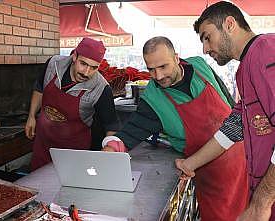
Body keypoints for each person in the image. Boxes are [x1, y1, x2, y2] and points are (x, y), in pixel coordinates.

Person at [102, 36, 248, 221]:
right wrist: (110, 149)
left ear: (176, 58)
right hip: (208, 173)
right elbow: (130, 132)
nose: (158, 76)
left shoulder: (200, 65)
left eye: (163, 67)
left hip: (244, 160)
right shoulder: (153, 100)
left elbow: (227, 99)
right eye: (151, 70)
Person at [175, 1, 275, 221]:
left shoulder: (266, 51)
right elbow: (233, 129)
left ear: (229, 24)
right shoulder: (243, 71)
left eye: (207, 37)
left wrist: (261, 202)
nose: (205, 49)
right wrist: (190, 164)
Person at [25, 37, 117, 171]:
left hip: (74, 154)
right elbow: (40, 88)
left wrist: (108, 150)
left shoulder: (101, 88)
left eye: (93, 68)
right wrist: (31, 116)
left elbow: (111, 125)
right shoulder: (53, 64)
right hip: (44, 144)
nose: (86, 72)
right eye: (83, 64)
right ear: (74, 56)